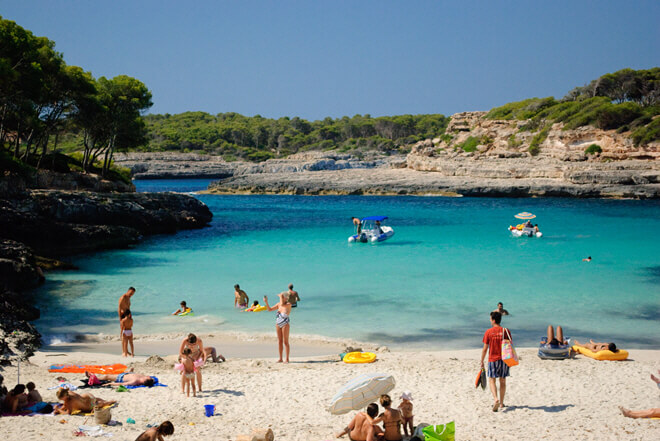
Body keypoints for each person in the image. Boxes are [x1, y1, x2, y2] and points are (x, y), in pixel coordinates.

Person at [480, 311, 509, 412]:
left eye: (490, 319)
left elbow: (485, 349)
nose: (490, 320)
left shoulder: (488, 332)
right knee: (503, 381)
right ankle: (501, 403)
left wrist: (482, 360)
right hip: (504, 359)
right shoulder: (505, 331)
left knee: (492, 380)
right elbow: (509, 345)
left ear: (493, 320)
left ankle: (495, 399)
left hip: (493, 359)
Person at [264, 292, 292, 363]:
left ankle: (287, 359)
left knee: (285, 342)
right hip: (278, 323)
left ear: (286, 298)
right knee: (280, 341)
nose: (282, 298)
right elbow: (269, 309)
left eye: (283, 297)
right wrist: (266, 302)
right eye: (282, 297)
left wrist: (280, 296)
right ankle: (280, 358)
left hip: (285, 324)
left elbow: (282, 303)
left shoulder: (288, 304)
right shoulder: (278, 304)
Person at [86, 371, 155, 387]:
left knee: (107, 376)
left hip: (120, 377)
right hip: (127, 374)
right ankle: (93, 377)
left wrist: (110, 383)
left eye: (150, 377)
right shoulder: (143, 377)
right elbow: (153, 380)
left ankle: (94, 378)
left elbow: (123, 384)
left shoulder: (135, 381)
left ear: (146, 380)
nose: (150, 376)